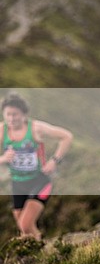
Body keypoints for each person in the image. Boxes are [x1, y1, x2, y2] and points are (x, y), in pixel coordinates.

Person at [1, 92, 72, 241]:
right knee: (24, 229)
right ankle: (39, 249)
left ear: (24, 114)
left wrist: (54, 161)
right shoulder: (2, 130)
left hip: (40, 182)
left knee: (25, 224)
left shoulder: (36, 128)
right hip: (17, 183)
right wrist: (3, 159)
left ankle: (40, 248)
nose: (11, 119)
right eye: (8, 115)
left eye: (15, 114)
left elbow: (66, 136)